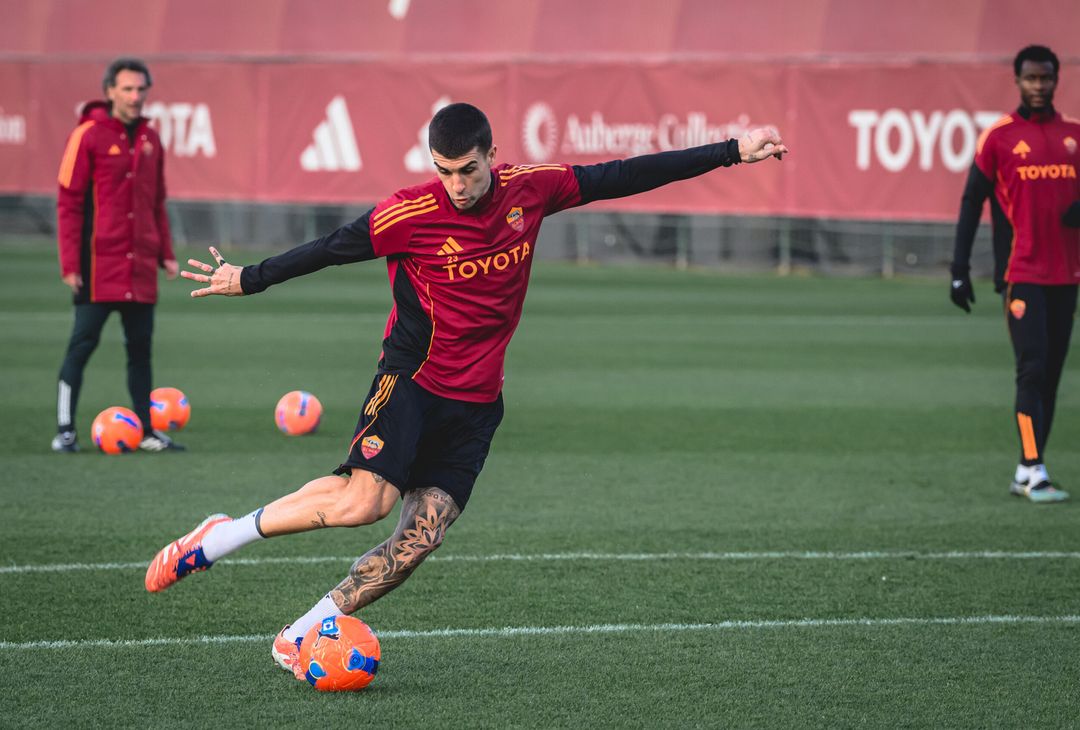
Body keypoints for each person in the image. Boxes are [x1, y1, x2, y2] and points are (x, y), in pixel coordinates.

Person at [144, 103, 787, 679]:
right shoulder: (410, 213)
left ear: (492, 156)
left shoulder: (532, 192)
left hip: (479, 401)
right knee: (363, 502)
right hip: (414, 377)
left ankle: (302, 630)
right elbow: (330, 249)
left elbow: (623, 174)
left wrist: (733, 149)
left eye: (469, 170)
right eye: (445, 171)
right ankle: (219, 538)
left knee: (416, 540)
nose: (458, 184)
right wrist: (248, 278)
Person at [950, 45, 1080, 503]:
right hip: (1022, 274)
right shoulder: (999, 138)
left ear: (1057, 79)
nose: (1039, 86)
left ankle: (1029, 470)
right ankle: (1032, 467)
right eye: (1031, 78)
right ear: (1018, 80)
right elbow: (971, 202)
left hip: (1068, 277)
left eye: (1046, 78)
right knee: (1032, 369)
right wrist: (958, 269)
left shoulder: (1074, 136)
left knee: (1051, 378)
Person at [52, 58, 184, 453]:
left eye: (141, 89)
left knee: (140, 351)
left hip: (140, 266)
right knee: (82, 344)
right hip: (98, 265)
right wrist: (70, 264)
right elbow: (68, 202)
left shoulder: (151, 139)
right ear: (110, 91)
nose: (135, 96)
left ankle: (145, 431)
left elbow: (157, 201)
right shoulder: (88, 135)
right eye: (127, 89)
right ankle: (65, 430)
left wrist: (166, 253)